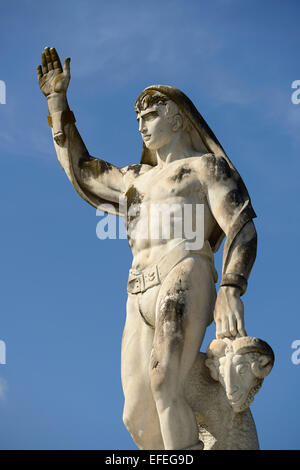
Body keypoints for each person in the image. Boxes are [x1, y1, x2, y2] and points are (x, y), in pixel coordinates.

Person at [37, 47, 257, 450]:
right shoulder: (135, 179)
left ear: (177, 117)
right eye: (138, 118)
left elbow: (241, 227)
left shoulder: (205, 168)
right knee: (136, 416)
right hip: (137, 289)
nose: (142, 123)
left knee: (163, 379)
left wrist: (230, 287)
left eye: (151, 114)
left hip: (186, 267)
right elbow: (83, 172)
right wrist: (57, 102)